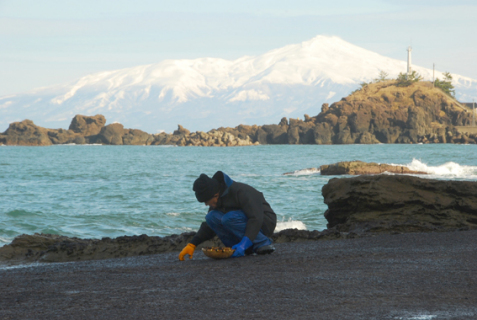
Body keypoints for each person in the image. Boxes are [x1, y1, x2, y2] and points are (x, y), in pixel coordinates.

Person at [179, 171, 277, 260]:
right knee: (211, 217)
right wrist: (192, 244)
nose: (206, 204)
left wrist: (243, 244)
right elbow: (209, 226)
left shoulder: (242, 191)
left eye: (206, 201)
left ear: (215, 195)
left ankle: (262, 243)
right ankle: (237, 248)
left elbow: (255, 218)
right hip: (244, 223)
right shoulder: (217, 200)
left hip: (264, 222)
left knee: (228, 218)